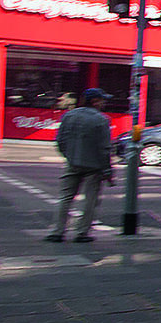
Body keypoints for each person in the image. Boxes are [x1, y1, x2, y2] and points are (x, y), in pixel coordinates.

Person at [47, 88, 114, 243]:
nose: (104, 102)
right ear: (95, 101)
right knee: (90, 200)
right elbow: (104, 148)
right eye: (102, 99)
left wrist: (69, 156)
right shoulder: (102, 120)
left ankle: (57, 231)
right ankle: (82, 232)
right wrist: (107, 170)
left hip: (72, 162)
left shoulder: (69, 116)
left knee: (65, 198)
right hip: (94, 166)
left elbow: (60, 140)